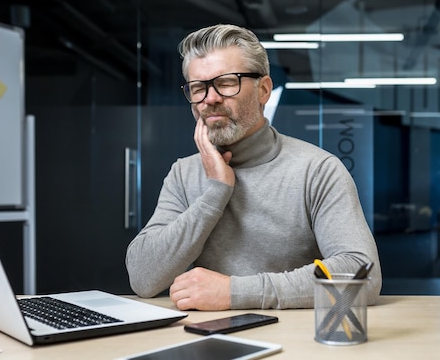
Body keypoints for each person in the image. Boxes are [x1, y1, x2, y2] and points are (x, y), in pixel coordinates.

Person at [125, 23, 382, 311]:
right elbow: (142, 278)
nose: (209, 99)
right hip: (211, 342)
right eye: (198, 88)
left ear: (263, 89)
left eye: (225, 83)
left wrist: (234, 292)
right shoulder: (184, 174)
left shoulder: (318, 170)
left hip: (296, 345)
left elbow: (363, 273)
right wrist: (215, 194)